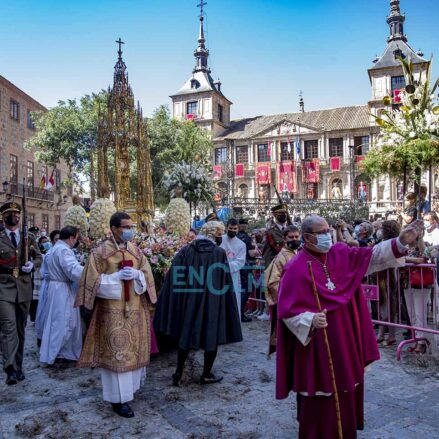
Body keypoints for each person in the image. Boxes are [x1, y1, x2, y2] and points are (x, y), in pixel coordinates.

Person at [276, 215, 422, 438]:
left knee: (346, 390)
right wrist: (309, 320)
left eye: (328, 230)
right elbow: (287, 312)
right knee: (319, 399)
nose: (327, 235)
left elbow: (373, 257)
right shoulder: (294, 269)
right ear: (306, 237)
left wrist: (401, 242)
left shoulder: (340, 253)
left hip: (345, 339)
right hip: (316, 346)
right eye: (321, 232)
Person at [75, 212, 157, 418]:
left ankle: (130, 392)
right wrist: (114, 278)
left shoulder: (136, 251)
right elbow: (92, 283)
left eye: (131, 226)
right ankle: (117, 399)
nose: (130, 230)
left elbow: (147, 276)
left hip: (135, 310)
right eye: (126, 226)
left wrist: (138, 275)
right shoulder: (99, 253)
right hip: (112, 313)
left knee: (132, 353)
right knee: (116, 355)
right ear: (113, 228)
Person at [154, 221, 242, 387]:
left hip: (189, 300)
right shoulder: (219, 253)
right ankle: (206, 374)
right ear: (214, 235)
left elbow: (174, 277)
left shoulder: (186, 251)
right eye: (219, 234)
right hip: (212, 300)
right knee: (212, 335)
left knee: (186, 334)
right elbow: (223, 280)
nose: (220, 237)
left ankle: (178, 372)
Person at [0, 202, 42, 385]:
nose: (13, 217)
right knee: (8, 327)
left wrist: (32, 265)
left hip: (24, 286)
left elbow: (38, 257)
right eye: (9, 214)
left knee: (20, 328)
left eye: (16, 214)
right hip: (3, 286)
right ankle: (10, 368)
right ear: (3, 217)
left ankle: (18, 366)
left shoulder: (29, 237)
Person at [39, 226, 84, 365]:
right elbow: (73, 270)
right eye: (76, 238)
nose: (76, 241)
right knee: (64, 322)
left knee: (59, 321)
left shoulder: (55, 248)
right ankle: (58, 354)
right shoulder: (64, 250)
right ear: (71, 238)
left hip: (57, 288)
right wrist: (90, 271)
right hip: (62, 289)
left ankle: (64, 353)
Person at [265, 225, 301, 356]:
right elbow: (273, 283)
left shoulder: (300, 253)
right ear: (285, 239)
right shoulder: (281, 257)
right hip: (290, 303)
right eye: (291, 237)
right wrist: (288, 297)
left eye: (297, 236)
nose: (295, 239)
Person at [221, 218, 246, 319]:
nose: (233, 230)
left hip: (233, 275)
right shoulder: (220, 239)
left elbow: (240, 261)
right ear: (226, 228)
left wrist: (226, 267)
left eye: (235, 228)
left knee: (234, 299)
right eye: (230, 228)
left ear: (238, 229)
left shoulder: (241, 244)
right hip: (219, 274)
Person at [237, 218, 257, 322]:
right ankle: (241, 313)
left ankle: (238, 312)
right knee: (247, 289)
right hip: (246, 266)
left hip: (236, 267)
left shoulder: (234, 237)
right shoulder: (248, 238)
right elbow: (251, 253)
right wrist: (256, 253)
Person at [29, 235, 51, 323]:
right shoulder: (36, 254)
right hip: (36, 279)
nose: (46, 244)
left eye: (47, 242)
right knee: (35, 300)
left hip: (44, 282)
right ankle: (33, 318)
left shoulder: (49, 254)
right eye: (43, 242)